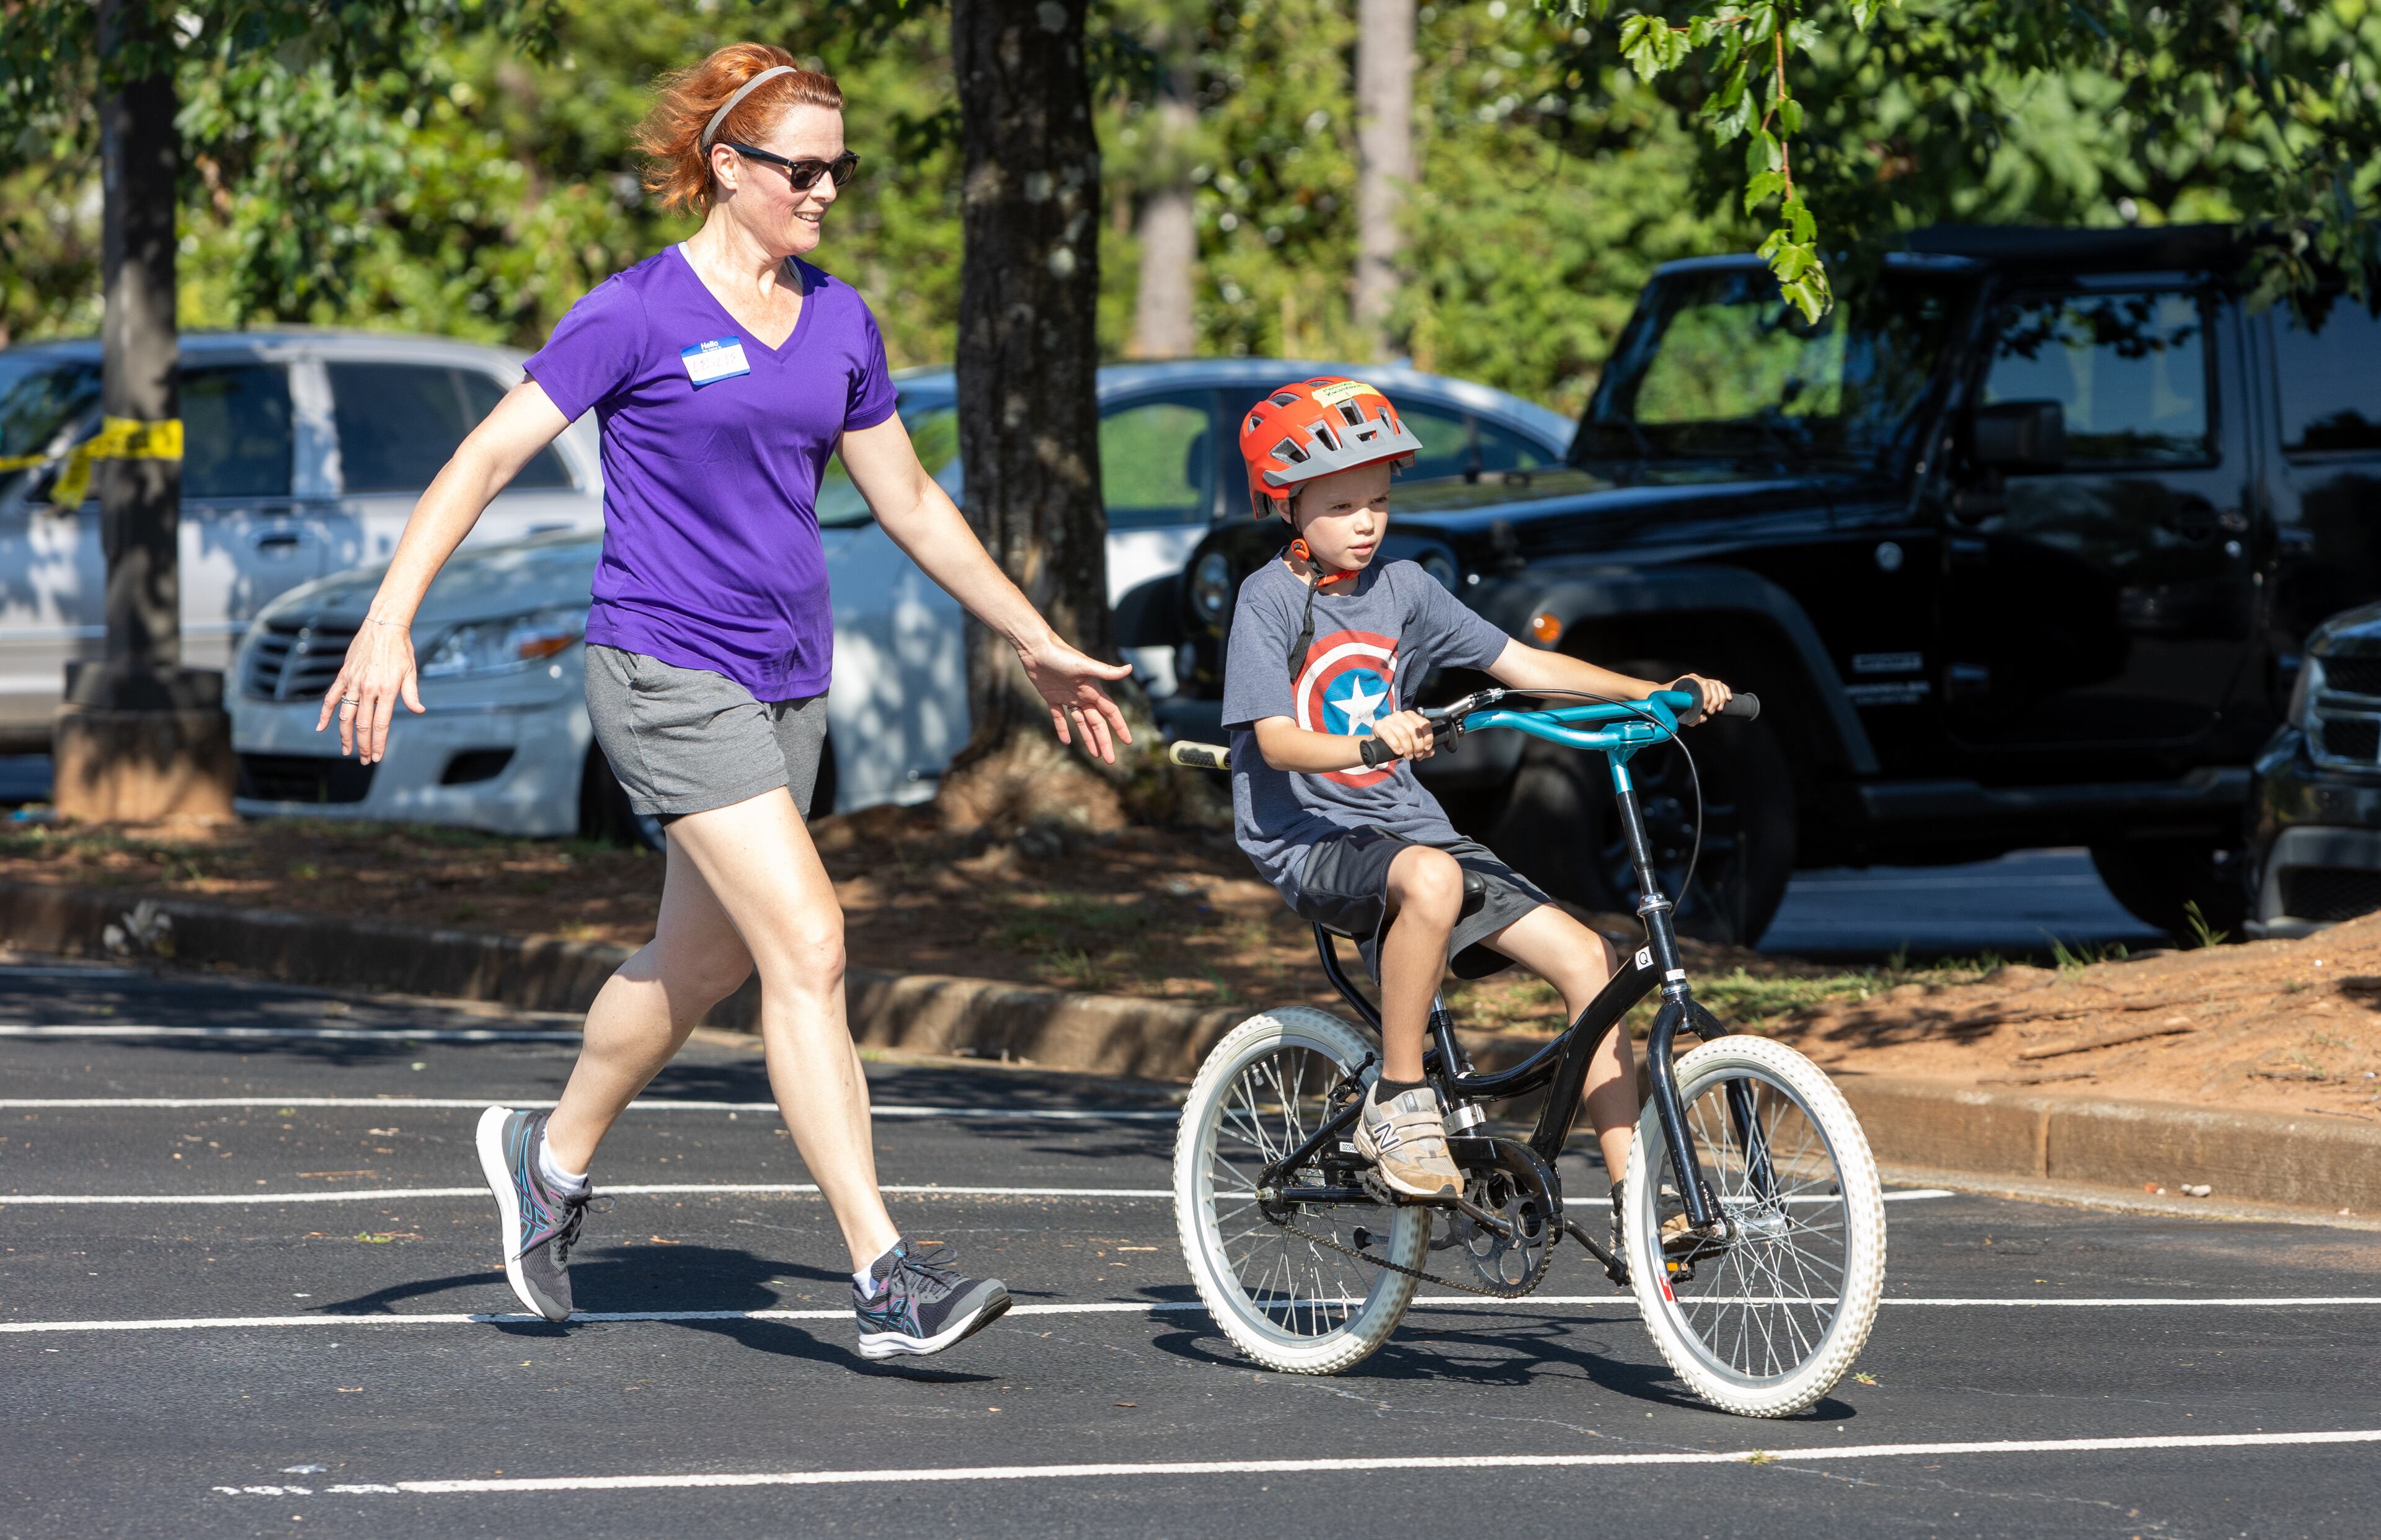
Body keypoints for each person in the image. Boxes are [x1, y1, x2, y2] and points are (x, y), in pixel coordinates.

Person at [318, 43, 1132, 1360]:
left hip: (785, 685)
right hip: (660, 667)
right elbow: (485, 455)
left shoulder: (840, 320)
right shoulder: (635, 313)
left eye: (838, 169)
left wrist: (1034, 640)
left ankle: (546, 1154)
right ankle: (887, 1278)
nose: (824, 193)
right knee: (806, 945)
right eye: (801, 170)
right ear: (726, 167)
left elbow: (911, 503)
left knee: (695, 965)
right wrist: (389, 617)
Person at [1219, 376, 1731, 1239]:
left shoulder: (1408, 590)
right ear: (1287, 505)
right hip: (1309, 834)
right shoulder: (1267, 601)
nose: (1366, 522)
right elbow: (1276, 741)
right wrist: (1373, 744)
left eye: (1377, 500)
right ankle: (1399, 1095)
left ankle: (1643, 1198)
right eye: (1342, 505)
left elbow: (1523, 666)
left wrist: (1657, 694)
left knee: (1591, 959)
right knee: (1428, 876)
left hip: (1407, 826)